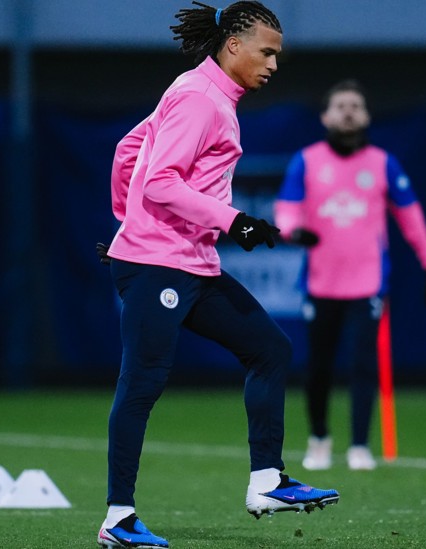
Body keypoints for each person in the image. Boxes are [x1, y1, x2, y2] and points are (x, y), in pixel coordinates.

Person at [95, 3, 339, 548]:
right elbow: (159, 181)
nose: (274, 64)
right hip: (158, 263)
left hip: (190, 264)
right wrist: (232, 220)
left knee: (269, 350)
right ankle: (117, 518)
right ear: (233, 45)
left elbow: (126, 151)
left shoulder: (199, 91)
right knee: (143, 381)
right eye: (267, 52)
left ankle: (267, 481)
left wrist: (123, 218)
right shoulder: (201, 99)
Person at [274, 79, 426, 472]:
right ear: (325, 116)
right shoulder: (307, 160)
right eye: (340, 105)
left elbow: (411, 218)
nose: (348, 111)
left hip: (367, 283)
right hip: (320, 282)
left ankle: (359, 446)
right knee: (318, 365)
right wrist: (292, 231)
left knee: (363, 363)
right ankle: (319, 439)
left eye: (356, 105)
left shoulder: (383, 164)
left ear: (366, 115)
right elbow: (286, 208)